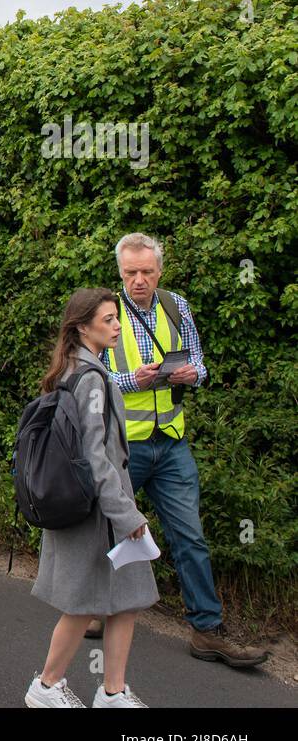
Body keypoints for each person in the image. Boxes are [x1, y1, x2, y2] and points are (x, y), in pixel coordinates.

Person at [99, 232, 266, 667]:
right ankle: (96, 610)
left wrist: (193, 375)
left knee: (190, 536)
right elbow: (86, 377)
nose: (139, 280)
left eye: (147, 272)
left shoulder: (177, 306)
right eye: (131, 272)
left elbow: (200, 362)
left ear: (159, 271)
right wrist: (130, 381)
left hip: (172, 443)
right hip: (123, 447)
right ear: (120, 272)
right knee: (107, 531)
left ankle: (206, 630)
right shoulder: (105, 312)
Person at [18, 288, 159, 708]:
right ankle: (46, 686)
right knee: (83, 604)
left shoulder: (77, 367)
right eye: (108, 319)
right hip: (98, 512)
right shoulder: (92, 377)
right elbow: (96, 456)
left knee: (126, 600)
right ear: (83, 327)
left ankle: (113, 691)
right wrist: (125, 514)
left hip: (93, 505)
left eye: (117, 318)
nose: (117, 326)